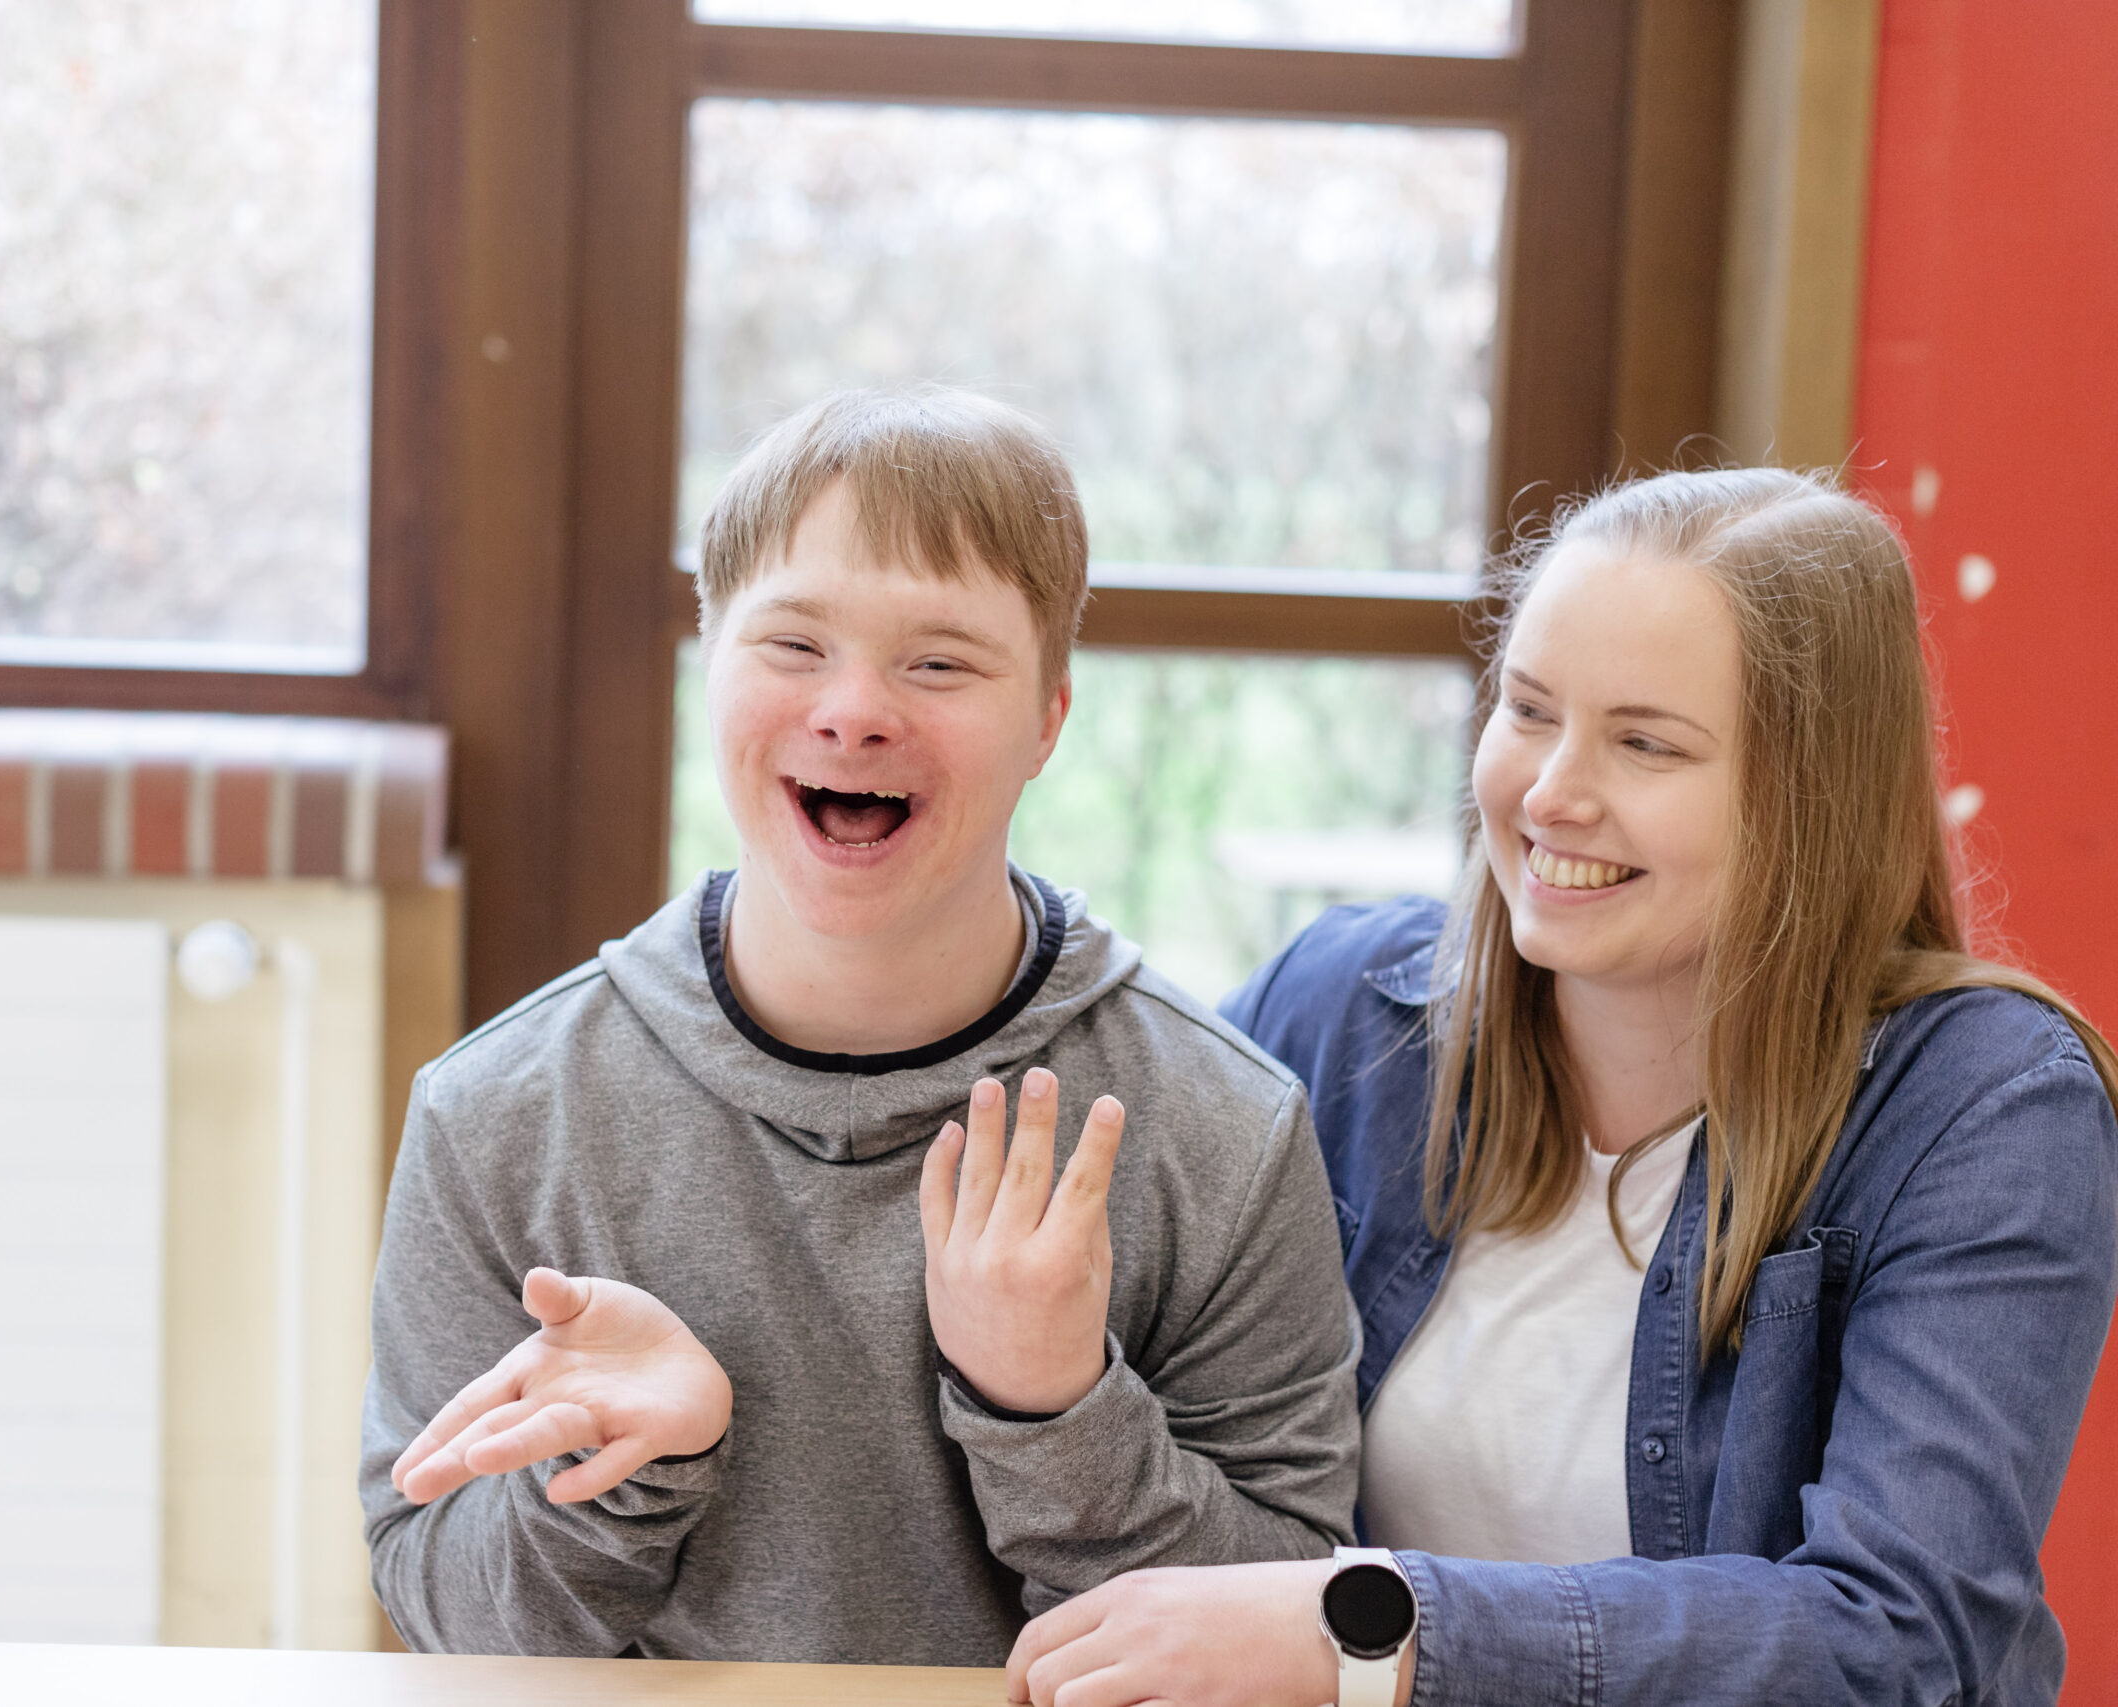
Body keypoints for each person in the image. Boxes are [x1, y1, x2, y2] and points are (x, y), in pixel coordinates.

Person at [1004, 467, 2118, 1706]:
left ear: (1812, 800)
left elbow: (1901, 1637)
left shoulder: (1987, 1106)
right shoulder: (1337, 1008)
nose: (1547, 794)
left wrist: (1367, 1633)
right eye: (1528, 711)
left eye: (1644, 743)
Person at [357, 388, 1360, 1665]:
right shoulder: (495, 1109)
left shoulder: (1221, 1124)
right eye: (791, 646)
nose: (854, 711)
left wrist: (1055, 1406)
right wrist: (621, 1477)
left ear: (1049, 720)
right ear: (707, 668)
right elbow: (442, 1616)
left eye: (939, 663)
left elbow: (1289, 1636)